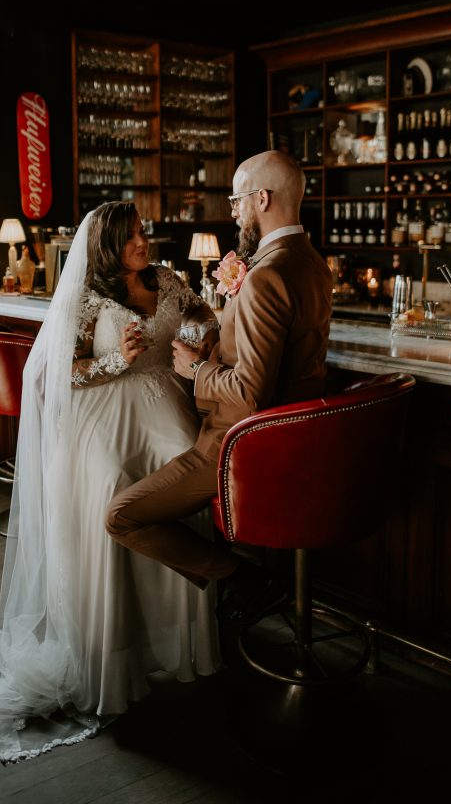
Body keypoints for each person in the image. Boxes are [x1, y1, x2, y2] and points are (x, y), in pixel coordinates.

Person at [0, 201, 222, 763]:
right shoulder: (86, 298)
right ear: (107, 245)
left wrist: (197, 334)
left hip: (165, 407)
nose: (142, 240)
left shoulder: (167, 280)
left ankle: (176, 642)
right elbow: (56, 372)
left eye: (141, 231)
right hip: (106, 416)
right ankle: (115, 658)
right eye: (131, 235)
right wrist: (114, 363)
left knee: (182, 472)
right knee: (112, 492)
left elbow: (205, 314)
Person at [106, 150, 333, 624]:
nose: (233, 211)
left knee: (120, 515)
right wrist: (218, 347)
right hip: (304, 438)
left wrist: (195, 370)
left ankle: (247, 581)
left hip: (240, 445)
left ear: (262, 198)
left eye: (236, 200)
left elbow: (251, 393)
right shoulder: (311, 262)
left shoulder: (266, 275)